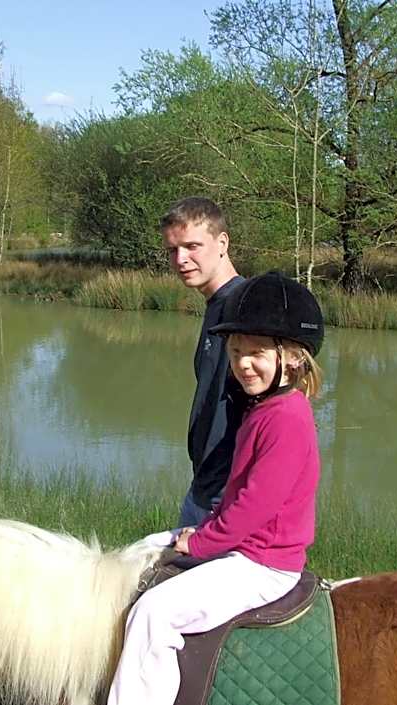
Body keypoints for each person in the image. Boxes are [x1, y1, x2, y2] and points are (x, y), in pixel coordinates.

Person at [107, 271, 325, 705]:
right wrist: (200, 533)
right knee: (141, 550)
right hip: (244, 549)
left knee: (154, 613)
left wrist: (201, 542)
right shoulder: (264, 408)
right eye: (236, 351)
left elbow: (254, 506)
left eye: (257, 353)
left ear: (293, 358)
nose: (243, 364)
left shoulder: (286, 419)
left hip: (263, 564)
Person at [160, 197, 245, 527]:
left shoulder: (244, 309)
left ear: (222, 243)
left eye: (192, 246)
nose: (181, 259)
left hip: (226, 499)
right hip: (202, 488)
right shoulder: (216, 305)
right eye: (172, 250)